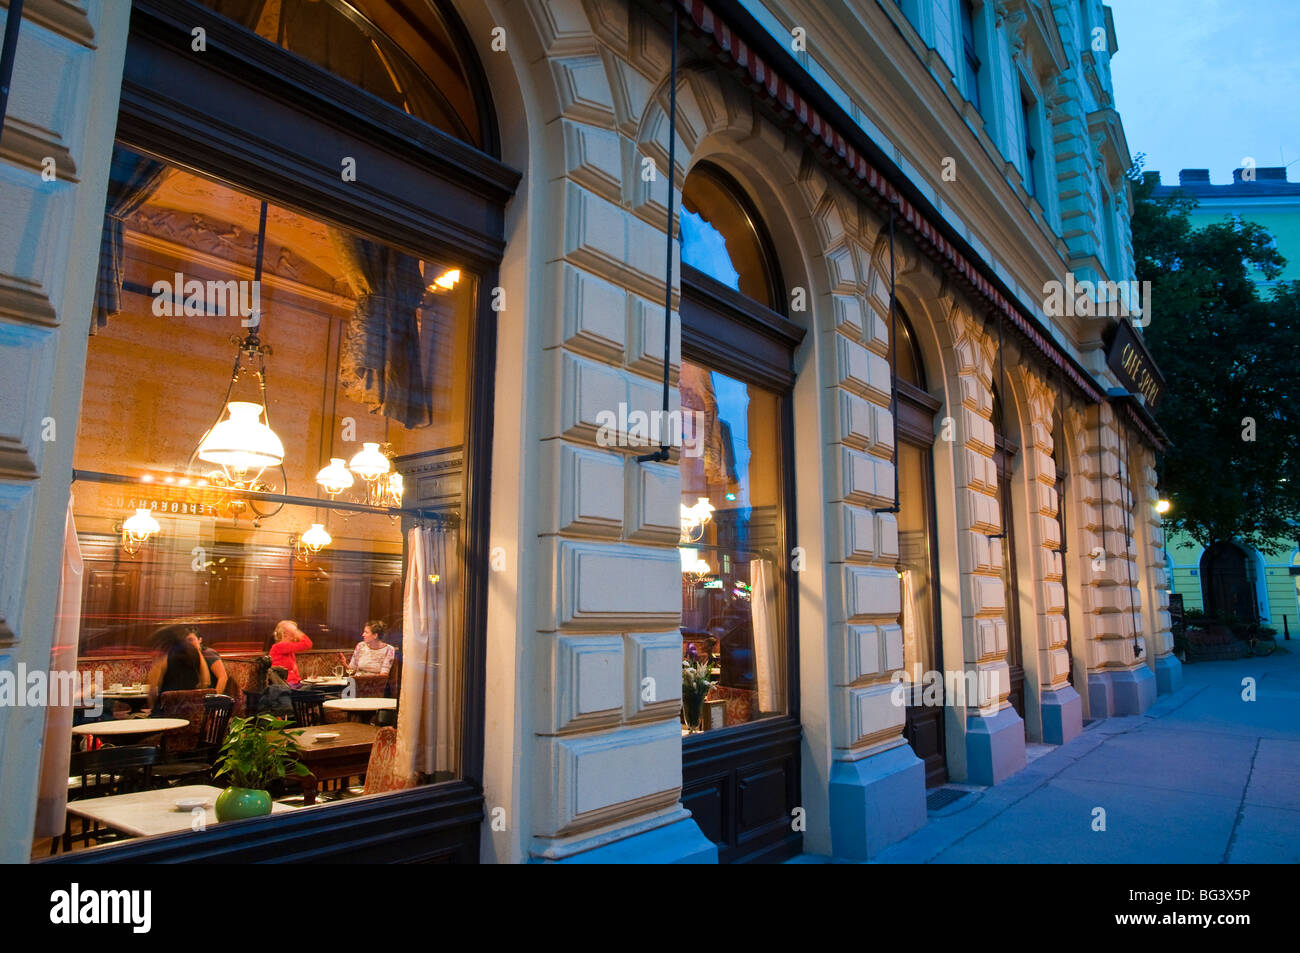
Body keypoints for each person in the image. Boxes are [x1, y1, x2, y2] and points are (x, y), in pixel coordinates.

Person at [146, 625, 210, 707]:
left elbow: (152, 691)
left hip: (167, 712)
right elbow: (206, 682)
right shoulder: (196, 653)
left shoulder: (164, 656)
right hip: (192, 711)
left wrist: (152, 708)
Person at [185, 626, 229, 695]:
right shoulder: (186, 655)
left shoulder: (208, 653)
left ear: (200, 640)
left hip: (208, 697)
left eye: (191, 640)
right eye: (185, 641)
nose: (188, 644)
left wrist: (215, 698)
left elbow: (223, 677)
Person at [268, 620, 312, 685]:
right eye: (293, 632)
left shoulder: (288, 649)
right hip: (286, 685)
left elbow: (294, 673)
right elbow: (307, 644)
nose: (295, 635)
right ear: (284, 633)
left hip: (293, 683)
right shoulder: (280, 647)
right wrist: (297, 632)